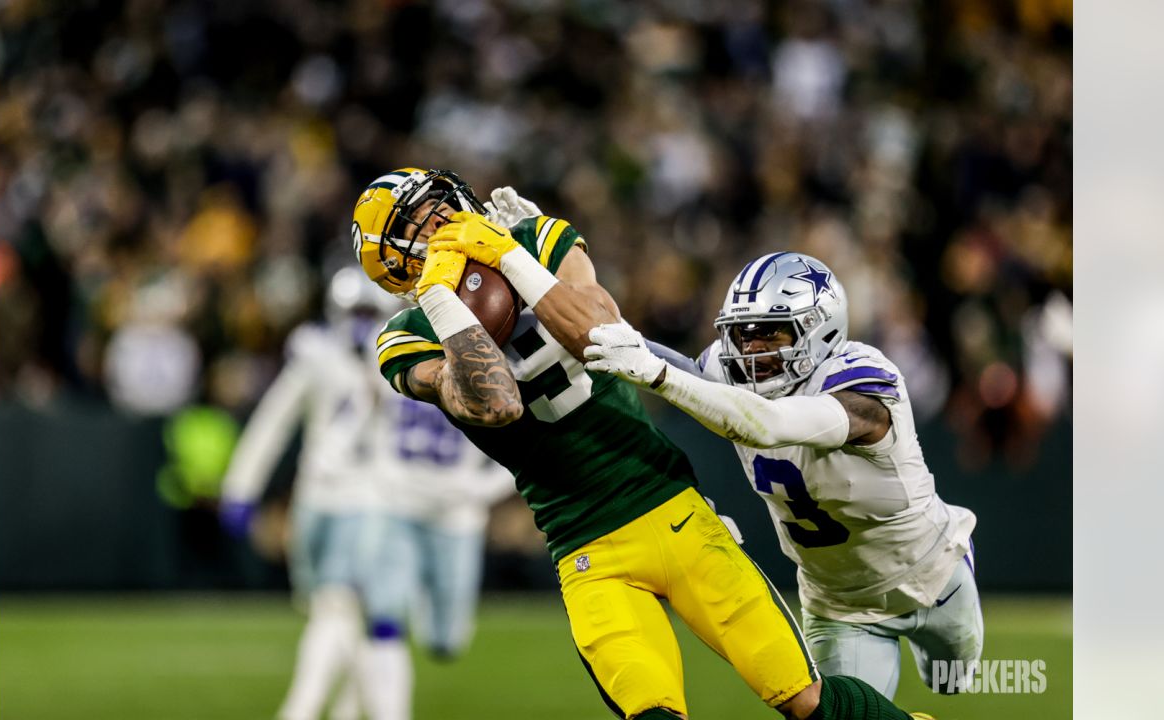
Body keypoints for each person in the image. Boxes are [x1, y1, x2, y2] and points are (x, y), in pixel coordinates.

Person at [351, 167, 929, 720]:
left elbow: (601, 334)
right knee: (652, 712)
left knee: (805, 700)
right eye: (421, 223)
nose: (444, 221)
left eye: (443, 204)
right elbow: (495, 401)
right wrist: (443, 302)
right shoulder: (404, 338)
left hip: (669, 507)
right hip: (586, 549)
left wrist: (511, 257)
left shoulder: (534, 238)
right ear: (393, 261)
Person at [582, 251, 983, 699]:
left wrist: (656, 374)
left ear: (820, 327)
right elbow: (632, 346)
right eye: (742, 334)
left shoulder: (865, 384)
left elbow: (769, 423)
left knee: (953, 685)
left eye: (770, 332)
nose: (751, 350)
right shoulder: (727, 370)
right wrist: (551, 270)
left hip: (932, 575)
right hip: (838, 605)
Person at [220, 265, 511, 720]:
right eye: (351, 311)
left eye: (366, 311)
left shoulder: (400, 358)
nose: (358, 322)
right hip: (318, 497)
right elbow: (277, 420)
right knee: (332, 610)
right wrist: (242, 485)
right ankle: (347, 705)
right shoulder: (318, 353)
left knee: (346, 609)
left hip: (371, 500)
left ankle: (304, 708)